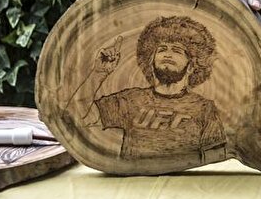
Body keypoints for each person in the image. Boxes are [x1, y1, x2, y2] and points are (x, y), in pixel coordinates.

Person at [71, 16, 228, 162]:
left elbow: (216, 156)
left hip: (184, 185)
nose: (168, 54)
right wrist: (98, 74)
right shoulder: (130, 100)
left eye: (177, 50)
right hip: (133, 184)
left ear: (192, 66)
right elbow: (80, 118)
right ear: (150, 61)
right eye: (162, 49)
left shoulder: (204, 108)